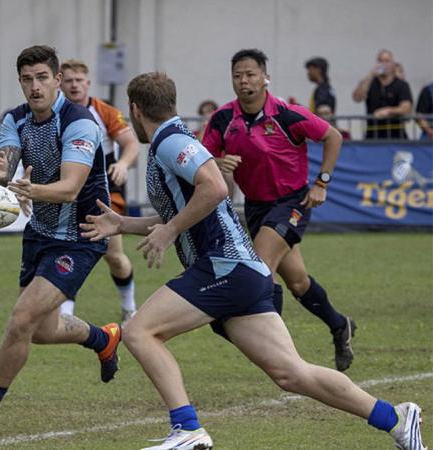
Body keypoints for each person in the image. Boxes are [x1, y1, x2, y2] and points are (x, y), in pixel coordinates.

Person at [81, 70, 425, 450]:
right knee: (292, 373)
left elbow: (214, 188)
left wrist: (171, 229)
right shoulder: (175, 139)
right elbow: (185, 210)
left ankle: (187, 428)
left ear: (135, 109)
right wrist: (123, 224)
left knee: (139, 331)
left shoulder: (170, 141)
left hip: (224, 266)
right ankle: (396, 419)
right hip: (242, 271)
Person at [0, 45, 122, 436]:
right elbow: (5, 167)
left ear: (57, 80)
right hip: (40, 233)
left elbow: (70, 188)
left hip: (82, 235)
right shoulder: (15, 119)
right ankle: (103, 338)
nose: (35, 87)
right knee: (42, 330)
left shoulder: (80, 122)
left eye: (42, 78)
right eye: (27, 79)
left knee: (20, 320)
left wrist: (25, 189)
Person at [202, 49, 356, 372]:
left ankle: (279, 355)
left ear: (265, 78)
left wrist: (322, 183)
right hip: (256, 208)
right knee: (298, 283)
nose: (244, 81)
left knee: (261, 267)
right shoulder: (222, 119)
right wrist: (217, 161)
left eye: (250, 74)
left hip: (292, 203)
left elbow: (332, 136)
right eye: (237, 76)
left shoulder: (287, 114)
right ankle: (340, 325)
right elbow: (201, 159)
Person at [58, 58, 139, 324]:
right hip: (67, 191)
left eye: (78, 80)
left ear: (88, 83)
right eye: (68, 80)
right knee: (66, 250)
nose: (74, 85)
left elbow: (131, 144)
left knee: (113, 255)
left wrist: (123, 164)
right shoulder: (54, 112)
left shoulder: (104, 111)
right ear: (60, 84)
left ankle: (129, 307)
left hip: (103, 192)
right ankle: (65, 312)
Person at [352, 49, 413, 139]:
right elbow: (357, 98)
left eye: (387, 61)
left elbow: (406, 108)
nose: (383, 64)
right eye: (380, 61)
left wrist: (388, 111)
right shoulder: (370, 82)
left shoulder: (401, 84)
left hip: (396, 137)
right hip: (373, 136)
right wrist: (370, 76)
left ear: (393, 64)